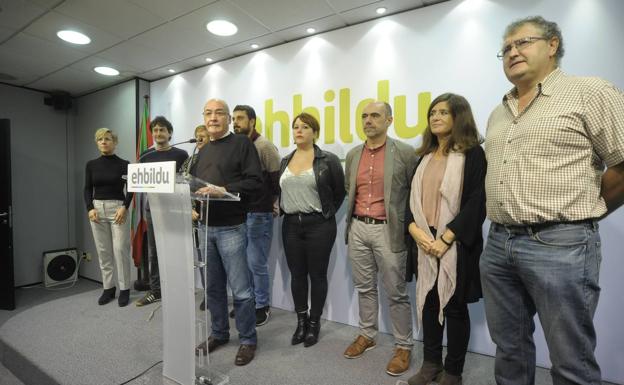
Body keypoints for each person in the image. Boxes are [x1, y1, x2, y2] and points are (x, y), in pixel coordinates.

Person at [481, 16, 624, 385]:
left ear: (552, 45)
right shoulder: (499, 112)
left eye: (523, 43)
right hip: (498, 243)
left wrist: (581, 214)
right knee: (509, 349)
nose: (513, 52)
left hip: (561, 244)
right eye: (506, 49)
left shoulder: (589, 92)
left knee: (570, 359)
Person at [405, 94, 486, 385]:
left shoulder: (473, 154)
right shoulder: (423, 157)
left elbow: (477, 202)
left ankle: (452, 372)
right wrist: (415, 232)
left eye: (444, 112)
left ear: (459, 117)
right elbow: (410, 204)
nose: (436, 117)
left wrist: (447, 238)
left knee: (453, 307)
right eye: (433, 112)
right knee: (428, 303)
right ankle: (430, 366)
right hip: (423, 242)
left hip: (456, 244)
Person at [343, 101, 417, 376]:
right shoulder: (353, 155)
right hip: (358, 227)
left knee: (396, 292)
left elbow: (413, 192)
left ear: (389, 120)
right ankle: (367, 335)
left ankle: (403, 346)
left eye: (375, 115)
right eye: (364, 116)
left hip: (389, 229)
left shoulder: (405, 153)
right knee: (364, 287)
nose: (368, 120)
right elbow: (349, 189)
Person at [192, 98, 263, 366]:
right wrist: (193, 205)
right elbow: (195, 186)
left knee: (241, 290)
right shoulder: (202, 150)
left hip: (232, 227)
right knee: (212, 289)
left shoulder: (242, 144)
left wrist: (225, 189)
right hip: (205, 227)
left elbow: (255, 182)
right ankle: (219, 333)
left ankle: (247, 339)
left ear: (228, 119)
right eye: (208, 113)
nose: (213, 118)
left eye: (219, 113)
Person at [279, 112, 345, 347]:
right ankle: (301, 321)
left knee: (317, 275)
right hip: (290, 226)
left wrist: (325, 215)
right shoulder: (285, 160)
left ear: (314, 133)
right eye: (295, 127)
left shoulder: (328, 160)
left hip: (319, 225)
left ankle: (314, 324)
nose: (299, 130)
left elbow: (340, 192)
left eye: (305, 127)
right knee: (297, 275)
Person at [232, 105, 281, 326]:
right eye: (233, 118)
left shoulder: (264, 146)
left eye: (240, 118)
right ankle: (249, 302)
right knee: (243, 263)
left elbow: (276, 181)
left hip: (259, 213)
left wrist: (272, 204)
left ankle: (262, 305)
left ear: (252, 121)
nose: (235, 123)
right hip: (239, 214)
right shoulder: (236, 147)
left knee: (256, 263)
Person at [135, 116, 188, 307]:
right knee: (154, 252)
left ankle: (178, 287)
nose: (158, 133)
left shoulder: (181, 154)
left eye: (162, 130)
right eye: (155, 130)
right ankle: (156, 291)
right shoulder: (145, 156)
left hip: (175, 209)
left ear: (170, 133)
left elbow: (187, 182)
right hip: (153, 210)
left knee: (177, 249)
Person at [84, 128, 133, 307]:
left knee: (120, 249)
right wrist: (89, 208)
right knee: (103, 251)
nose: (103, 142)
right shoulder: (91, 164)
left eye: (107, 139)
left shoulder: (125, 164)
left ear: (115, 142)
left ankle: (125, 289)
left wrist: (124, 207)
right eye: (100, 139)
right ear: (97, 143)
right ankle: (108, 288)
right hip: (97, 210)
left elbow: (132, 188)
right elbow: (87, 188)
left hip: (118, 209)